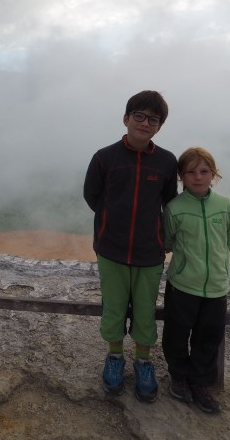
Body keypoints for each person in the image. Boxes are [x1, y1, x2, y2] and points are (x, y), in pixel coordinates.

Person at [83, 90, 178, 402]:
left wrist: (160, 238)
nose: (145, 123)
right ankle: (114, 357)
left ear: (159, 127)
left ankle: (143, 362)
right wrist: (112, 224)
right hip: (111, 250)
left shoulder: (166, 161)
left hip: (150, 253)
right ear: (126, 119)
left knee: (145, 310)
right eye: (139, 116)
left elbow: (169, 204)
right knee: (113, 307)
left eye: (153, 119)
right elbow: (92, 197)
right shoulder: (104, 157)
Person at [162, 146, 230, 414]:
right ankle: (178, 377)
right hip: (183, 284)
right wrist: (189, 263)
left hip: (217, 286)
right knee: (176, 335)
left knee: (209, 337)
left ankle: (200, 383)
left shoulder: (226, 206)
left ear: (213, 174)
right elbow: (168, 241)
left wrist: (217, 260)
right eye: (191, 172)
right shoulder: (174, 208)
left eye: (204, 171)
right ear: (181, 176)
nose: (198, 177)